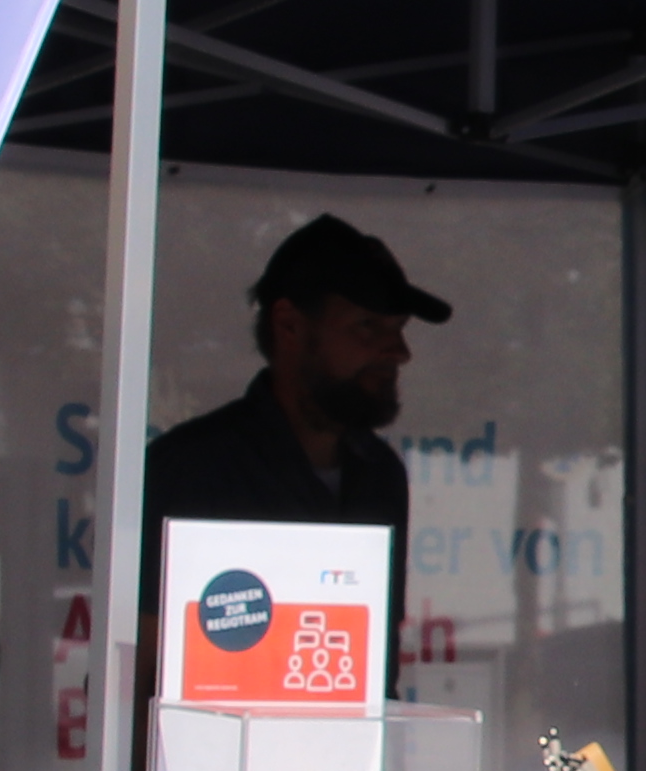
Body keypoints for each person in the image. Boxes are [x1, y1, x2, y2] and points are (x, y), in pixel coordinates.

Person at [139, 214, 434, 644]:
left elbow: (375, 659)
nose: (400, 352)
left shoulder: (380, 474)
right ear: (289, 324)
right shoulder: (190, 469)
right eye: (368, 326)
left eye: (399, 329)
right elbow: (139, 667)